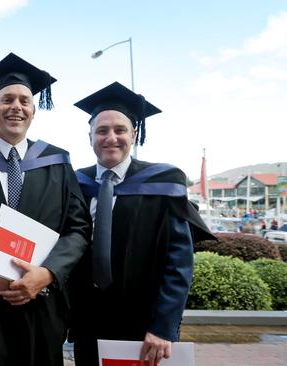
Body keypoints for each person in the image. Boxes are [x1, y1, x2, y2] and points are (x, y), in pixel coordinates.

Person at [0, 53, 92, 366]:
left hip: (42, 303)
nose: (16, 107)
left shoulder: (57, 162)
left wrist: (46, 273)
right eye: (7, 99)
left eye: (24, 101)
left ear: (34, 111)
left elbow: (78, 229)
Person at [69, 82, 214, 366]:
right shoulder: (75, 183)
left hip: (145, 325)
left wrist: (163, 326)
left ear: (134, 134)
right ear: (90, 137)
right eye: (102, 130)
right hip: (89, 322)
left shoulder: (163, 182)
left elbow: (179, 262)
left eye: (120, 130)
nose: (111, 137)